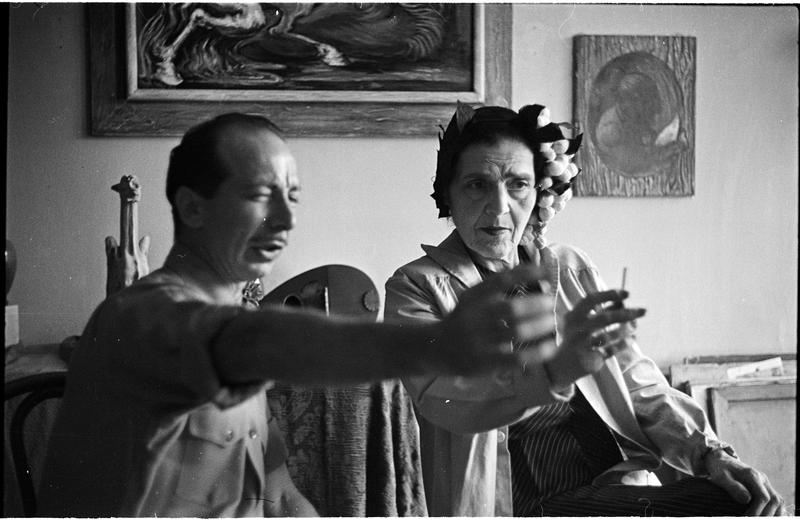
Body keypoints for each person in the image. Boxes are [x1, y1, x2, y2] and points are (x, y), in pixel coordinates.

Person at [37, 113, 559, 517]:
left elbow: (281, 497)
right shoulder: (142, 315)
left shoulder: (232, 335)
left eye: (291, 197)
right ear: (193, 207)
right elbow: (255, 339)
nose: (286, 219)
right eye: (260, 196)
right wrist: (435, 345)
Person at [384, 102, 786, 516]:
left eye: (518, 184)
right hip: (520, 505)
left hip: (608, 486)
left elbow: (637, 385)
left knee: (746, 501)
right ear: (448, 195)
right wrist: (553, 371)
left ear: (539, 193)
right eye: (476, 185)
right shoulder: (415, 287)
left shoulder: (570, 268)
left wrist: (711, 454)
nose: (499, 206)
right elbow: (445, 396)